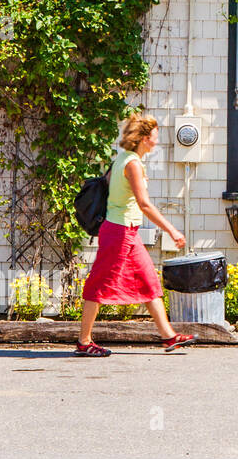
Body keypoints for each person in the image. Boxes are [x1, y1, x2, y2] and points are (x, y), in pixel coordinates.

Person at [75, 115, 196, 356]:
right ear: (143, 138)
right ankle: (84, 341)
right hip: (119, 231)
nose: (157, 140)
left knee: (149, 281)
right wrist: (172, 230)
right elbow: (144, 204)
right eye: (155, 136)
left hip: (126, 230)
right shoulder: (132, 163)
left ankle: (168, 336)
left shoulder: (124, 159)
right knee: (99, 284)